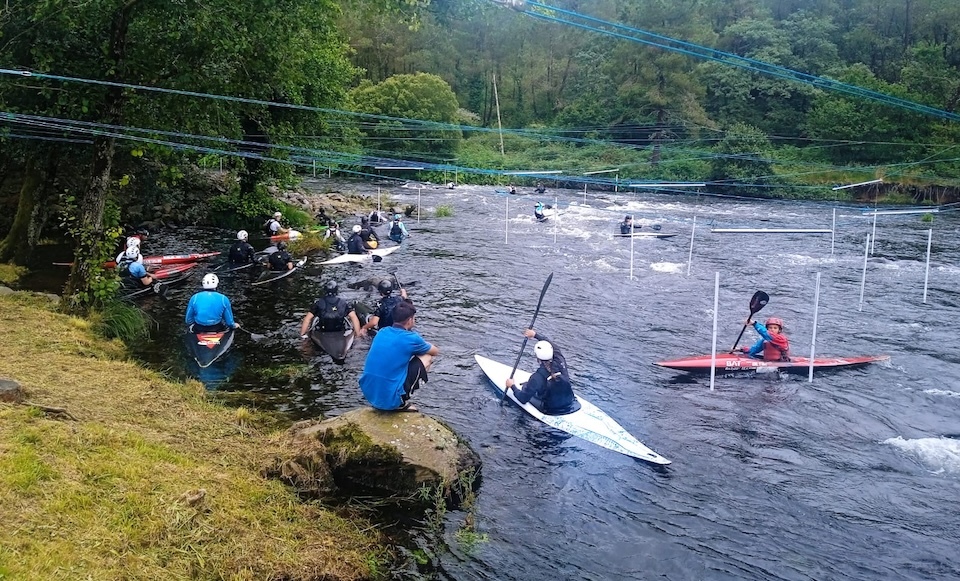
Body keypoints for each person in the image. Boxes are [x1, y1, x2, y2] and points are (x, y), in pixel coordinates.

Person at [358, 301, 439, 412]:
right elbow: (435, 351)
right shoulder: (411, 338)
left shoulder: (382, 331)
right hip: (391, 401)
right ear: (410, 320)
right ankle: (401, 401)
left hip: (369, 393)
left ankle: (385, 398)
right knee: (427, 357)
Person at [504, 328, 578, 415]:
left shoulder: (537, 377)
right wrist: (535, 335)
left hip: (551, 409)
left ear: (537, 358)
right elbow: (551, 344)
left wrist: (512, 386)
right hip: (570, 402)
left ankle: (527, 387)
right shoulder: (559, 358)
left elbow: (523, 399)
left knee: (525, 388)